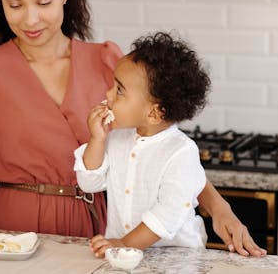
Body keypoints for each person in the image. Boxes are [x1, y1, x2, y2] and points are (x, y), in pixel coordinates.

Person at [0, 0, 266, 257]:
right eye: (15, 4)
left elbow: (160, 149)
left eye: (44, 1)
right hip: (11, 234)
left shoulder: (108, 62)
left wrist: (218, 207)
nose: (30, 19)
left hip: (99, 232)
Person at [75, 32, 210, 257]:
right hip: (124, 256)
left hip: (175, 259)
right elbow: (89, 183)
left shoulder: (181, 152)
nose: (108, 94)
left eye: (119, 90)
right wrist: (97, 139)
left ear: (154, 113)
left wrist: (126, 243)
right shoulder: (117, 139)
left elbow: (167, 213)